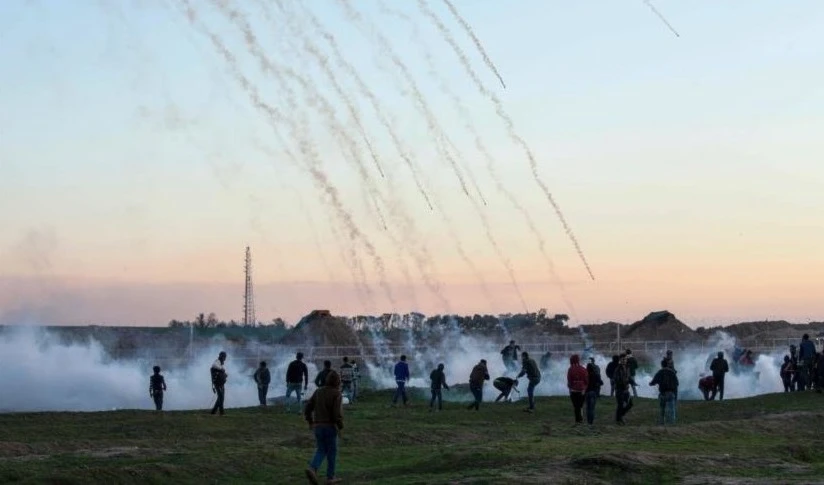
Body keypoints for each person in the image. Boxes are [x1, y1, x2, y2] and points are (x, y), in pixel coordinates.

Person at [303, 370, 344, 485]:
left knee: (321, 449)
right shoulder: (337, 394)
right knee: (332, 452)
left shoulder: (318, 391)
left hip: (318, 426)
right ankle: (330, 477)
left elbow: (308, 407)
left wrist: (310, 421)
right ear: (338, 381)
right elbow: (336, 414)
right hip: (330, 427)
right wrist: (340, 427)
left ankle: (312, 468)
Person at [650, 360, 679, 425]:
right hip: (671, 393)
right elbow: (677, 383)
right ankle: (672, 423)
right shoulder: (672, 372)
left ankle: (662, 421)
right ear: (667, 364)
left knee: (662, 409)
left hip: (662, 393)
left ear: (662, 365)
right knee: (671, 409)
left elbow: (653, 382)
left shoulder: (660, 372)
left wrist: (651, 383)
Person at [567, 354, 589, 425]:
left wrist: (570, 388)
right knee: (580, 406)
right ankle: (581, 420)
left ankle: (578, 421)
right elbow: (587, 381)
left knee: (576, 406)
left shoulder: (570, 369)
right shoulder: (583, 369)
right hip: (582, 390)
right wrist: (584, 388)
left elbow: (569, 380)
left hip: (573, 390)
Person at [613, 354, 633, 425]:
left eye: (625, 359)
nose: (624, 361)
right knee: (620, 405)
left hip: (626, 389)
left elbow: (629, 377)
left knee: (630, 404)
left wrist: (632, 382)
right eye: (622, 359)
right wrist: (624, 382)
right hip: (619, 389)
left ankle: (620, 416)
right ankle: (619, 420)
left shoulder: (628, 368)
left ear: (626, 360)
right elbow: (616, 380)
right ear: (620, 360)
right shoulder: (617, 369)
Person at [585, 359, 604, 426]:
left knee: (588, 408)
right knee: (592, 408)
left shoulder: (585, 375)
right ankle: (591, 422)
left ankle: (588, 422)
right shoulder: (596, 375)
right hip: (593, 392)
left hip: (587, 393)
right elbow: (601, 383)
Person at [210, 351, 228, 416]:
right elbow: (214, 365)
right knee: (221, 397)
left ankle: (213, 411)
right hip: (217, 383)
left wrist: (224, 374)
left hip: (221, 383)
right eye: (224, 357)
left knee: (220, 397)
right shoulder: (217, 361)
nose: (225, 358)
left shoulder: (220, 363)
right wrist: (222, 369)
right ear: (221, 356)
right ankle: (221, 412)